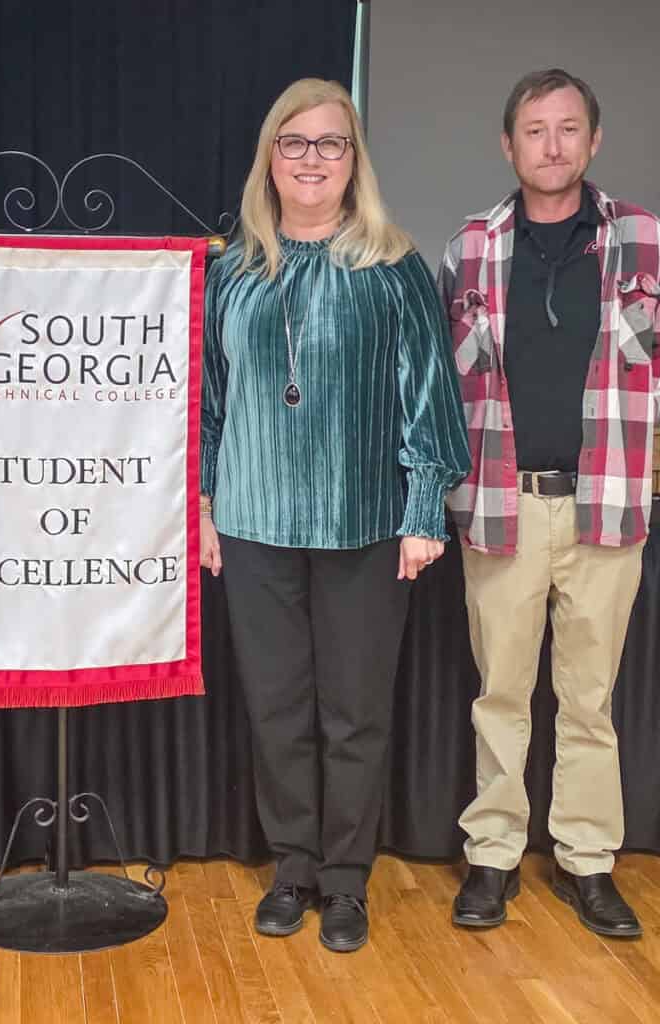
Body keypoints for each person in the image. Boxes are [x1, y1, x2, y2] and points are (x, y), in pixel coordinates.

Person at [200, 78, 469, 952]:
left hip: (366, 523)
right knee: (276, 705)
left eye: (331, 144)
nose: (311, 160)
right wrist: (205, 506)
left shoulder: (392, 267)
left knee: (354, 709)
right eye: (295, 143)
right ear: (269, 159)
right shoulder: (229, 270)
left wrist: (424, 507)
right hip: (251, 520)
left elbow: (429, 397)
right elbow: (210, 404)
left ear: (355, 163)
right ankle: (293, 866)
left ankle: (347, 880)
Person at [442, 69, 660, 938]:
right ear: (509, 145)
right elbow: (444, 388)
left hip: (606, 504)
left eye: (570, 129)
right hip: (502, 504)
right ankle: (492, 855)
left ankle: (587, 861)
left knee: (589, 697)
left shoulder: (643, 239)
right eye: (535, 130)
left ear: (594, 140)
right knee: (500, 691)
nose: (553, 145)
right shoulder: (469, 246)